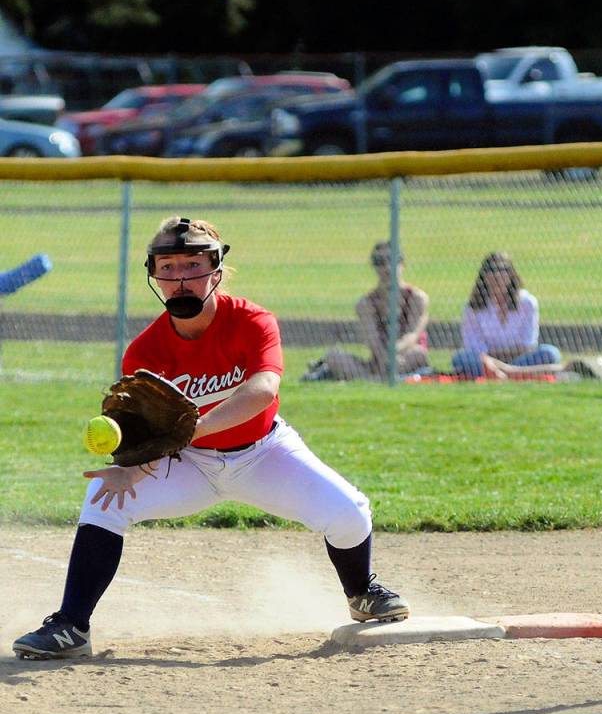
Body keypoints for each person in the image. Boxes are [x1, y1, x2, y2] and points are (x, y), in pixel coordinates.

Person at [12, 217, 408, 660]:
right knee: (103, 498)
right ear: (153, 275)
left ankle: (362, 593)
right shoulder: (144, 351)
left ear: (216, 271)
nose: (179, 279)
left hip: (264, 453)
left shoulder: (252, 321)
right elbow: (144, 432)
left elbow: (262, 391)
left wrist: (189, 428)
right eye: (167, 268)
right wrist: (132, 468)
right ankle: (71, 625)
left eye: (192, 266)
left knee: (351, 512)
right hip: (189, 464)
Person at [303, 241, 430, 382]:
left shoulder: (417, 298)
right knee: (333, 356)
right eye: (380, 262)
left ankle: (372, 380)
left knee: (418, 354)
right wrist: (383, 358)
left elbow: (412, 335)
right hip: (378, 361)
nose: (387, 268)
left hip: (405, 357)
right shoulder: (366, 303)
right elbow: (372, 340)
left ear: (402, 264)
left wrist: (392, 354)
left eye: (392, 260)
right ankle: (382, 380)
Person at [452, 252, 561, 379]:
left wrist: (501, 363)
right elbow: (475, 349)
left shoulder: (527, 303)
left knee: (550, 353)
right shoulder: (473, 307)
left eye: (502, 270)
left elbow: (527, 345)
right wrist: (491, 360)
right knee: (462, 358)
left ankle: (503, 373)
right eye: (491, 270)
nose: (497, 276)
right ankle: (516, 374)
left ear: (511, 275)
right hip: (486, 362)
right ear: (484, 277)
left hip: (519, 360)